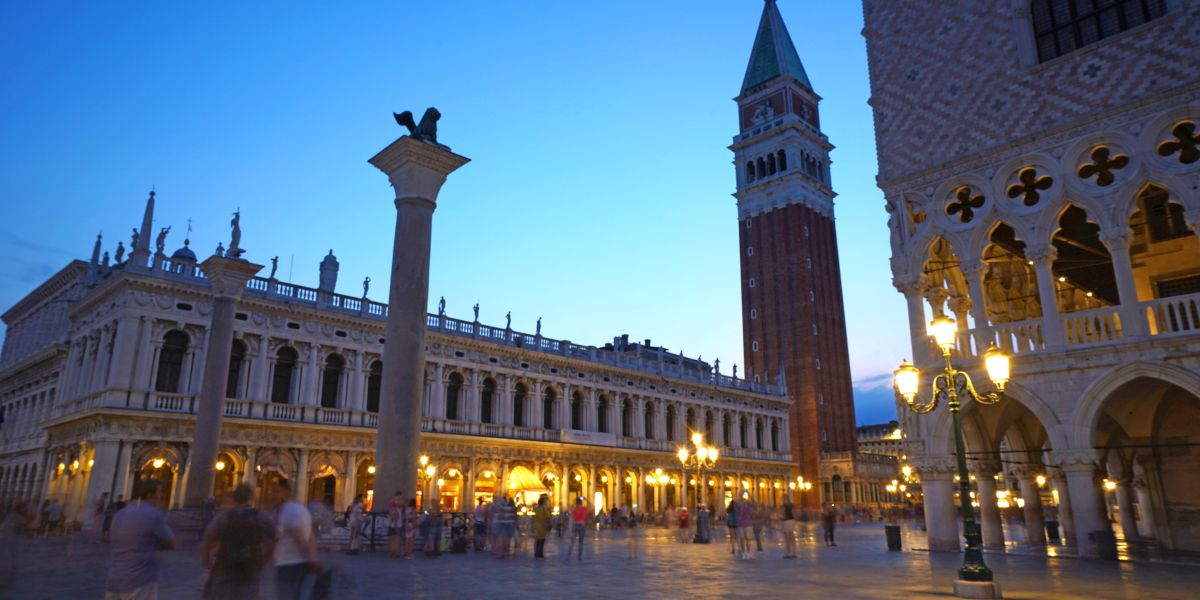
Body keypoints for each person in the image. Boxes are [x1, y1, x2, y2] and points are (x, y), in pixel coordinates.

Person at [104, 479, 177, 600]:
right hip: (140, 582)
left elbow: (115, 539)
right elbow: (172, 543)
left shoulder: (120, 514)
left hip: (114, 581)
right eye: (159, 492)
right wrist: (156, 545)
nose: (161, 496)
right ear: (150, 494)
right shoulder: (152, 514)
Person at [201, 484, 276, 600]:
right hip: (250, 569)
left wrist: (208, 564)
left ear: (234, 498)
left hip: (225, 567)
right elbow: (273, 540)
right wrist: (263, 562)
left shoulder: (225, 516)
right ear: (251, 497)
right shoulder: (261, 516)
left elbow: (207, 538)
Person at [271, 480, 319, 600]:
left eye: (277, 492)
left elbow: (299, 537)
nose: (273, 495)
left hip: (289, 563)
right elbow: (311, 536)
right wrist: (310, 558)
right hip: (294, 563)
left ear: (286, 492)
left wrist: (309, 559)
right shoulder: (300, 509)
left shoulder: (288, 510)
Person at [564, 497, 589, 562]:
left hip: (575, 525)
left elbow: (569, 507)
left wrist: (574, 500)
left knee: (572, 542)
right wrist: (586, 500)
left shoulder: (574, 509)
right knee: (581, 542)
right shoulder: (584, 509)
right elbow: (591, 506)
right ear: (581, 503)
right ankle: (579, 557)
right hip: (582, 525)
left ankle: (568, 555)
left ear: (576, 503)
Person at [532, 495, 551, 559]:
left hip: (537, 525)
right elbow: (547, 517)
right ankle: (540, 554)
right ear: (544, 502)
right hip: (542, 526)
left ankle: (536, 553)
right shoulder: (544, 508)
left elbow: (533, 516)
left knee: (537, 540)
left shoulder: (536, 508)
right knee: (542, 540)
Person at [387, 491, 404, 558]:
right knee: (396, 538)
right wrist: (396, 524)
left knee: (392, 538)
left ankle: (391, 552)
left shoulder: (392, 505)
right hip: (396, 524)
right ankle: (395, 552)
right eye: (399, 497)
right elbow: (395, 517)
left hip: (392, 524)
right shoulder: (395, 508)